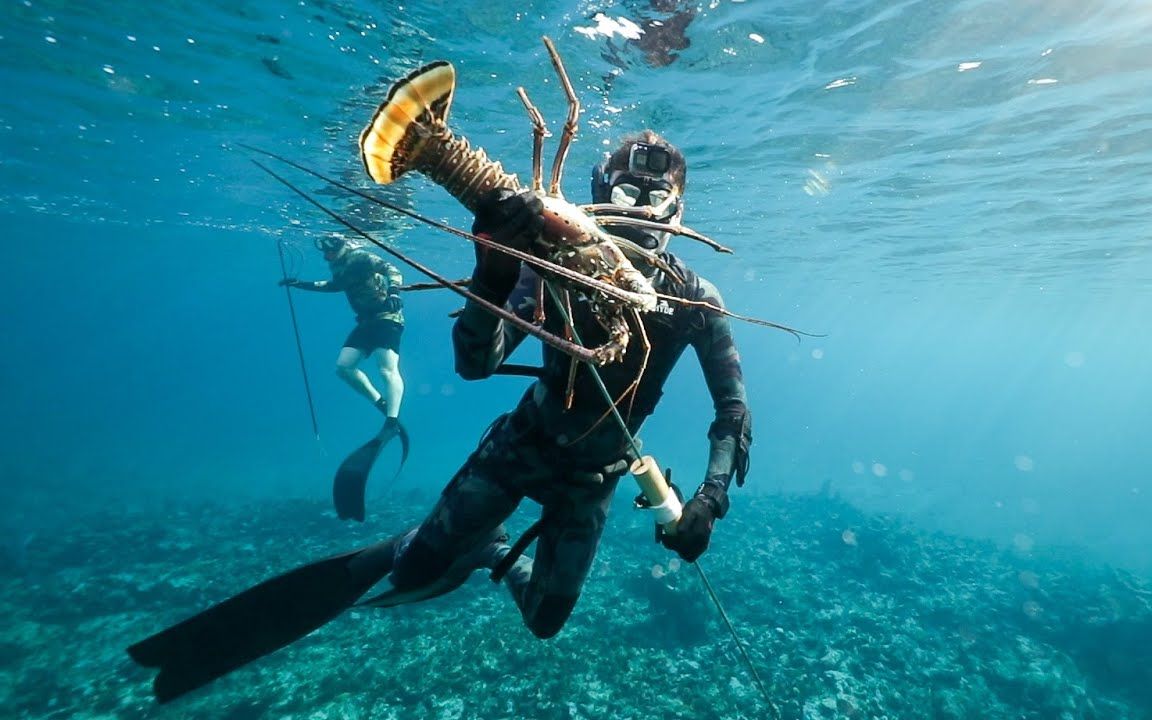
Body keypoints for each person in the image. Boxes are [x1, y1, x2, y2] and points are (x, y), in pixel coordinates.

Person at [127, 131, 753, 702]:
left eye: (657, 196)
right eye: (624, 192)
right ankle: (425, 546)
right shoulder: (553, 269)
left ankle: (490, 551)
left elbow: (732, 411)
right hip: (522, 443)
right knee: (413, 573)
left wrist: (708, 499)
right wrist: (494, 271)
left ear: (678, 210)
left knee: (545, 621)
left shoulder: (696, 299)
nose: (641, 208)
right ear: (598, 196)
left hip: (596, 474)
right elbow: (478, 363)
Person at [280, 234, 406, 425]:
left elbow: (391, 269)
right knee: (343, 367)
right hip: (365, 322)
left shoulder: (361, 257)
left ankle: (392, 420)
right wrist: (300, 285)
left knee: (386, 369)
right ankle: (380, 403)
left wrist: (394, 291)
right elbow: (335, 285)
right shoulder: (337, 265)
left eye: (329, 252)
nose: (326, 257)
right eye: (325, 252)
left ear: (339, 248)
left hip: (387, 317)